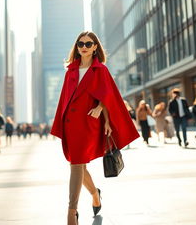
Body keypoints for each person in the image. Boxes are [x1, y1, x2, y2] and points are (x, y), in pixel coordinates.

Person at [50, 31, 139, 225]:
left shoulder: (101, 70)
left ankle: (71, 213)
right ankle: (95, 195)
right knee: (78, 163)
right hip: (72, 124)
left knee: (76, 164)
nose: (84, 46)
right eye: (80, 43)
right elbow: (64, 99)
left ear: (95, 47)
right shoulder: (70, 70)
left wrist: (102, 113)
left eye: (88, 44)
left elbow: (109, 96)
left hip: (89, 122)